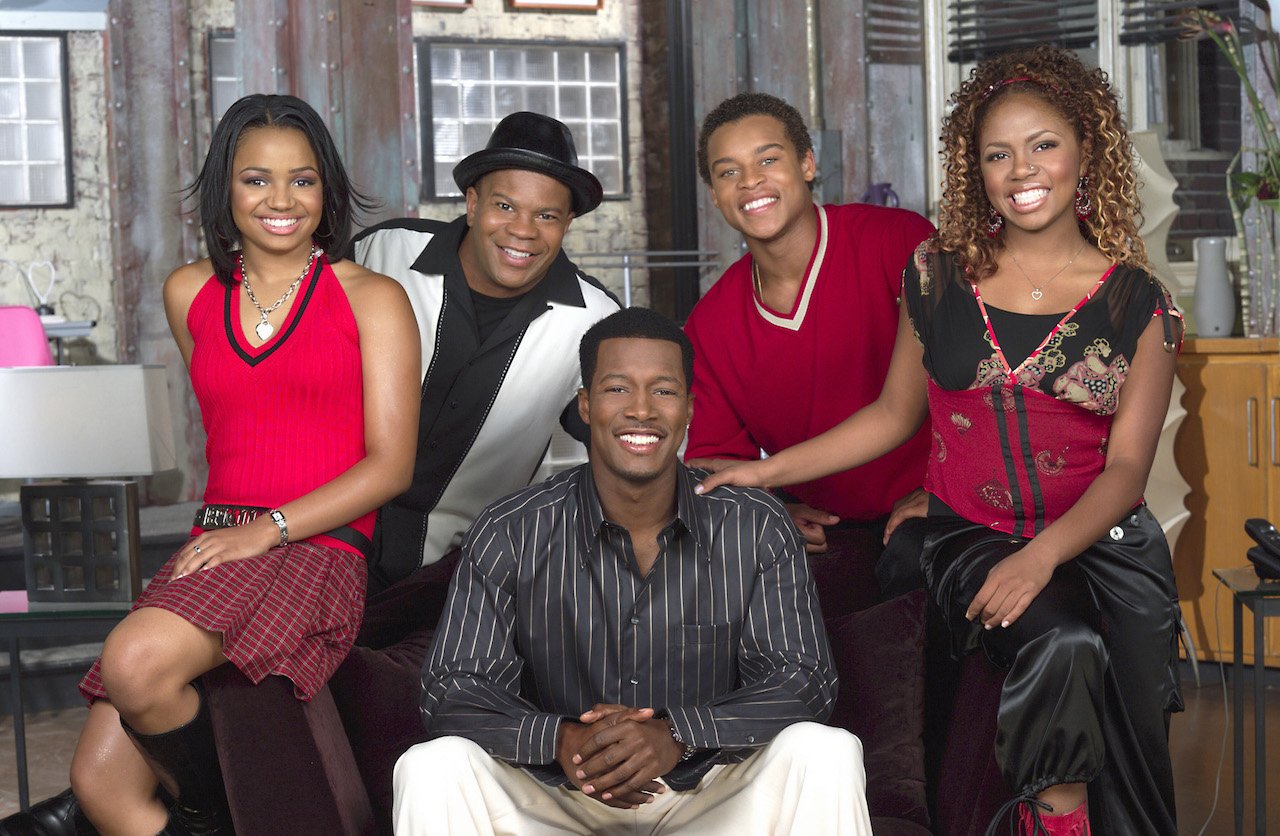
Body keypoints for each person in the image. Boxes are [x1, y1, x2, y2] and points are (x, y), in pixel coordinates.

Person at [696, 45, 1183, 835]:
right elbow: (893, 415)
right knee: (1060, 643)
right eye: (998, 153)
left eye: (1044, 145)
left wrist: (1044, 555)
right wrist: (766, 476)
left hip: (1105, 548)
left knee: (1131, 761)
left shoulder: (1140, 303)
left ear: (1086, 153)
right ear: (977, 171)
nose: (1022, 169)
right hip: (972, 534)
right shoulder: (937, 273)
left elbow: (1128, 469)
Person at [6, 94, 421, 835]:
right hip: (217, 546)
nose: (281, 200)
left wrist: (268, 530)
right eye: (256, 179)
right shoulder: (188, 292)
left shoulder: (373, 299)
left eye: (302, 179)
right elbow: (238, 425)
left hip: (311, 548)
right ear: (225, 190)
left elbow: (390, 467)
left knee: (136, 665)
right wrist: (237, 536)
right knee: (99, 784)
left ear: (326, 190)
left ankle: (211, 816)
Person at [392, 307, 872, 836]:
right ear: (586, 404)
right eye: (618, 389)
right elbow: (453, 688)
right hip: (559, 798)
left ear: (688, 409)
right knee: (431, 766)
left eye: (663, 391)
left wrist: (676, 735)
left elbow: (802, 680)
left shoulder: (754, 525)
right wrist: (561, 739)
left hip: (708, 798)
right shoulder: (511, 529)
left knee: (827, 752)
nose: (641, 410)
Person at [350, 111, 620, 596]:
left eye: (547, 215)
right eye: (505, 206)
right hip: (325, 543)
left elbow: (624, 447)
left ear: (567, 223)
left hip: (461, 580)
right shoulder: (383, 252)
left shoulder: (594, 321)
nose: (524, 230)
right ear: (472, 203)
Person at [683, 92, 934, 602]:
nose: (750, 181)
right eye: (727, 172)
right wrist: (769, 507)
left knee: (914, 583)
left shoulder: (900, 241)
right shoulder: (710, 324)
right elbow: (712, 466)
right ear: (713, 195)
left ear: (807, 163)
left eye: (768, 160)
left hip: (932, 503)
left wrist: (952, 494)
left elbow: (985, 380)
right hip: (825, 527)